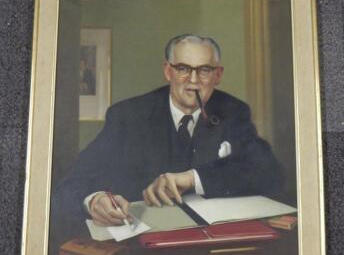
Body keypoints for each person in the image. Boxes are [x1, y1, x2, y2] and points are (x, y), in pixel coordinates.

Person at [52, 34, 284, 230]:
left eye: (204, 70)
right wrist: (94, 201)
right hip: (142, 247)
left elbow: (269, 172)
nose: (193, 81)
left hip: (208, 241)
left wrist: (193, 178)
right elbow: (71, 184)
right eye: (183, 69)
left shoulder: (233, 111)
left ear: (218, 75)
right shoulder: (128, 115)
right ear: (168, 71)